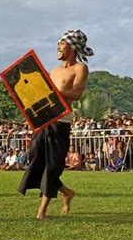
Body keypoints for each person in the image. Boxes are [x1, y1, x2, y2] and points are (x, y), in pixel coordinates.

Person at [18, 29, 93, 220]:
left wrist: (50, 91)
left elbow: (76, 94)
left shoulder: (80, 69)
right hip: (43, 120)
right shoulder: (53, 71)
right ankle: (66, 191)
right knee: (35, 159)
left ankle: (41, 211)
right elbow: (41, 96)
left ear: (73, 48)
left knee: (52, 165)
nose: (58, 48)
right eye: (58, 44)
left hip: (61, 122)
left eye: (62, 44)